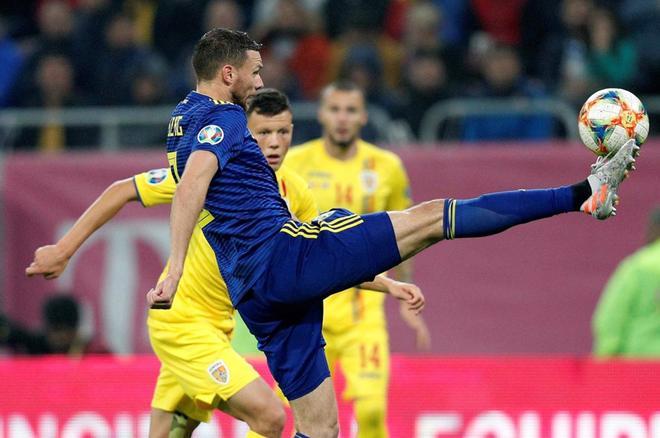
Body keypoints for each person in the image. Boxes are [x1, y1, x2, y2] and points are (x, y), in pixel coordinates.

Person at [148, 28, 638, 438]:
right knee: (432, 218)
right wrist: (175, 267)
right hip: (286, 257)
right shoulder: (225, 118)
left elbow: (189, 180)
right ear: (228, 73)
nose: (260, 81)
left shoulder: (180, 121)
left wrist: (384, 282)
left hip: (256, 295)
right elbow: (193, 183)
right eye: (254, 72)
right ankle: (584, 192)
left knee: (319, 429)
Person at [26, 87, 419, 437]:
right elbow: (120, 190)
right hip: (181, 322)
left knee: (169, 431)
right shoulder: (209, 172)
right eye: (263, 133)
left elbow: (320, 261)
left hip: (218, 327)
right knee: (269, 417)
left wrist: (388, 284)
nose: (275, 143)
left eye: (283, 132)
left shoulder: (294, 192)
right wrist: (63, 250)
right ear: (243, 133)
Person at [285, 81, 431, 437]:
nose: (342, 119)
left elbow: (405, 233)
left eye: (351, 110)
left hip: (362, 311)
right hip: (306, 310)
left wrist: (405, 289)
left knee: (371, 409)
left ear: (364, 116)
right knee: (286, 412)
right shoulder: (294, 162)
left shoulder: (387, 167)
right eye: (335, 109)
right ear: (321, 114)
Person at [592, 207, 660, 357]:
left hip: (640, 366)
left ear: (655, 229)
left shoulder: (637, 267)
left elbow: (610, 320)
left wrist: (605, 362)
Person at [0, 294, 108, 355]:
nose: (60, 336)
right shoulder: (36, 344)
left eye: (66, 330)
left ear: (75, 330)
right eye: (56, 330)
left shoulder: (93, 352)